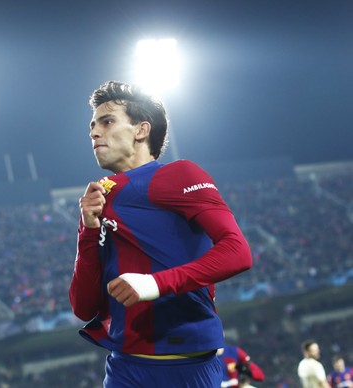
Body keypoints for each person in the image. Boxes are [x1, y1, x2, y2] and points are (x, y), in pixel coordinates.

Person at [68, 80, 253, 387]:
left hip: (186, 364)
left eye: (107, 121)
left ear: (141, 130)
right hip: (123, 366)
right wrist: (88, 230)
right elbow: (83, 307)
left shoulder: (179, 175)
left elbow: (237, 251)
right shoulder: (100, 197)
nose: (94, 132)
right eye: (92, 125)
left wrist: (154, 284)